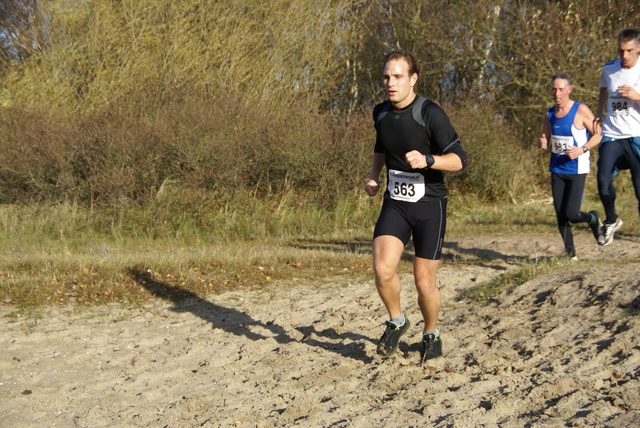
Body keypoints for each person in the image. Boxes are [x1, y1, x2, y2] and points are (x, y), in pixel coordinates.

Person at [364, 50, 468, 364]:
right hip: (395, 201)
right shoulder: (380, 113)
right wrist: (373, 177)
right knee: (383, 270)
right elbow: (381, 147)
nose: (390, 83)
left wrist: (429, 160)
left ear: (413, 79)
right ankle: (397, 321)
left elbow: (461, 160)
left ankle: (431, 333)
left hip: (430, 205)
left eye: (397, 77)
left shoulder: (430, 113)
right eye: (386, 76)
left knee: (424, 283)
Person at [538, 73, 603, 259]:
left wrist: (582, 149)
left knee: (572, 214)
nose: (556, 93)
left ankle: (592, 218)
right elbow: (545, 137)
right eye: (553, 89)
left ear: (569, 90)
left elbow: (599, 134)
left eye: (560, 89)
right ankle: (571, 256)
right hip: (557, 169)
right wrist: (542, 142)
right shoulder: (549, 113)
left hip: (577, 169)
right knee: (560, 215)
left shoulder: (580, 110)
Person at [595, 28, 640, 245]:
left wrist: (636, 96)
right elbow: (604, 89)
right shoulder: (609, 69)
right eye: (621, 50)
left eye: (629, 51)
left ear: (638, 48)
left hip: (637, 136)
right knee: (603, 181)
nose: (624, 56)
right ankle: (611, 220)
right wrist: (598, 111)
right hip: (612, 134)